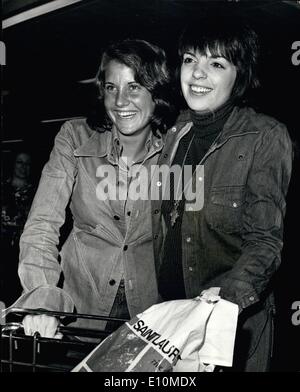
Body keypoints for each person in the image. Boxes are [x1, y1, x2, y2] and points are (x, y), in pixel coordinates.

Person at [151, 17, 293, 371]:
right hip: (172, 323)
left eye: (216, 64)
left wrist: (226, 298)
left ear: (240, 75)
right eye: (190, 60)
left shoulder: (265, 136)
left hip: (227, 328)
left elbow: (265, 241)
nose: (197, 74)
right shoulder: (176, 132)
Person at [11, 39, 175, 338]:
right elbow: (42, 225)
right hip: (80, 312)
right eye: (112, 88)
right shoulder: (74, 137)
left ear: (156, 90)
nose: (120, 101)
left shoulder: (177, 147)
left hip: (152, 320)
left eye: (134, 86)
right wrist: (43, 302)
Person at [1, 151, 36, 306]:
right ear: (13, 165)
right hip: (2, 248)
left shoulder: (36, 192)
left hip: (24, 250)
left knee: (18, 293)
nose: (23, 167)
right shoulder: (3, 188)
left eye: (27, 164)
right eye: (20, 162)